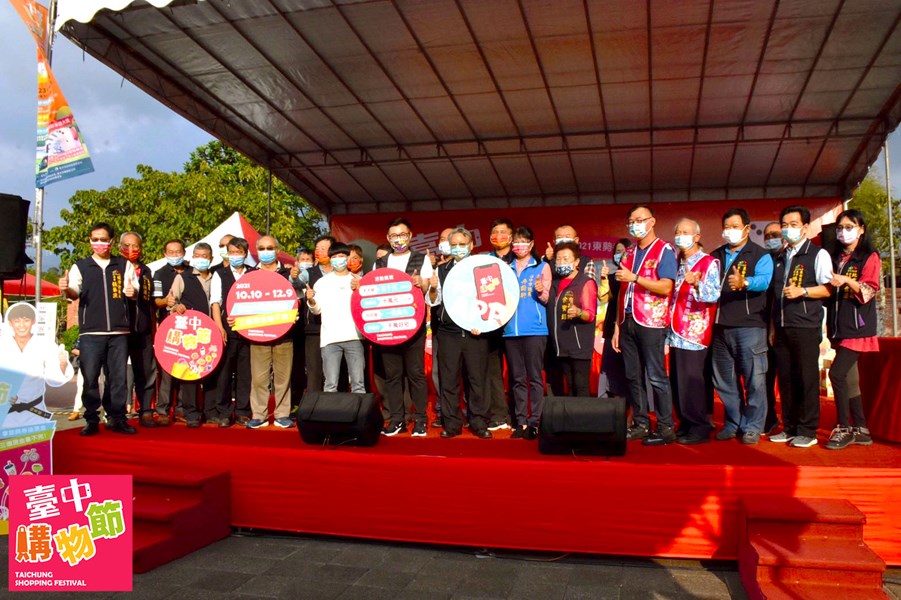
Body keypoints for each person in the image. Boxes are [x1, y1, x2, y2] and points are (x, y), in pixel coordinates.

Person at [59, 222, 139, 436]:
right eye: (95, 239)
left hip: (119, 332)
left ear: (112, 241)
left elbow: (134, 289)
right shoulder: (81, 266)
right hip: (91, 333)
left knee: (117, 379)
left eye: (103, 239)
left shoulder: (123, 265)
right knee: (90, 376)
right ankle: (92, 419)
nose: (99, 243)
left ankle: (117, 418)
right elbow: (74, 292)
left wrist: (131, 291)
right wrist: (66, 288)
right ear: (90, 241)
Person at [612, 205, 677, 446]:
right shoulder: (628, 253)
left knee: (657, 376)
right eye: (631, 221)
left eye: (640, 220)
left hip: (651, 321)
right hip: (628, 320)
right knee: (633, 376)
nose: (635, 224)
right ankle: (640, 423)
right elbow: (621, 291)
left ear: (652, 222)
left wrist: (636, 278)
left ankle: (665, 426)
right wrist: (618, 326)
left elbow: (666, 287)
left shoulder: (664, 250)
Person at [769, 205, 833, 448]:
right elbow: (775, 296)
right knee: (785, 379)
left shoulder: (818, 255)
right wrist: (773, 328)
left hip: (805, 326)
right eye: (784, 224)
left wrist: (803, 291)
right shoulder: (780, 257)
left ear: (805, 227)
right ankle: (790, 426)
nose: (788, 229)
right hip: (782, 327)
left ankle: (808, 430)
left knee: (806, 378)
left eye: (793, 224)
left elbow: (827, 288)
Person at [709, 209, 774, 444]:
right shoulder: (715, 255)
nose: (730, 230)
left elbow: (765, 281)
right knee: (723, 380)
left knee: (754, 380)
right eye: (726, 226)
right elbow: (707, 281)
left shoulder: (760, 254)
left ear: (747, 228)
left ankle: (752, 426)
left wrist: (745, 281)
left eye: (735, 226)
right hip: (719, 328)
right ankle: (733, 422)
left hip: (749, 327)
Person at [426, 227, 492, 439]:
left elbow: (493, 299)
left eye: (462, 244)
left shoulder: (483, 268)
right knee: (449, 380)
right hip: (449, 333)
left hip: (475, 333)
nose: (458, 248)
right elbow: (433, 302)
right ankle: (451, 424)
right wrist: (434, 288)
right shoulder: (442, 270)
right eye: (454, 245)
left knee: (477, 380)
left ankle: (479, 422)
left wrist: (484, 323)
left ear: (471, 245)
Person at [824, 210, 880, 450]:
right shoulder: (836, 257)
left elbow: (869, 291)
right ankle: (862, 428)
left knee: (836, 374)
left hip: (858, 327)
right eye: (840, 227)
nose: (843, 231)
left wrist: (847, 280)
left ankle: (843, 427)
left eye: (849, 227)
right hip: (838, 325)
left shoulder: (869, 257)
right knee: (850, 378)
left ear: (861, 229)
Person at [374, 217, 433, 437]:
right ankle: (397, 419)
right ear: (388, 238)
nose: (399, 239)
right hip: (387, 327)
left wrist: (422, 284)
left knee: (416, 374)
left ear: (410, 236)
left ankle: (420, 420)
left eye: (403, 235)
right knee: (393, 375)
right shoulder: (380, 262)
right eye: (394, 236)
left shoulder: (421, 259)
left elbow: (429, 289)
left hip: (412, 324)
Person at [667, 219, 721, 445]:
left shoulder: (708, 263)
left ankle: (699, 425)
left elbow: (713, 294)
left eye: (685, 232)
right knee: (678, 381)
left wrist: (697, 284)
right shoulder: (677, 263)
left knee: (693, 380)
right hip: (674, 330)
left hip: (693, 331)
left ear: (697, 237)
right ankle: (686, 422)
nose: (681, 236)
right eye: (677, 232)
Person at [504, 227, 551, 439]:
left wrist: (541, 289)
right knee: (517, 378)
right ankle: (520, 421)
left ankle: (535, 422)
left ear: (531, 244)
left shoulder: (542, 267)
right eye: (516, 241)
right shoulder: (505, 268)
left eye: (523, 241)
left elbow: (546, 299)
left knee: (534, 377)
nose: (519, 245)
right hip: (510, 331)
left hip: (534, 330)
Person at [166, 242, 216, 427]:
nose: (201, 258)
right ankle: (191, 413)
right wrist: (176, 307)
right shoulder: (183, 277)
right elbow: (172, 301)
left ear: (211, 258)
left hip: (213, 333)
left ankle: (210, 411)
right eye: (197, 255)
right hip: (192, 334)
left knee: (212, 372)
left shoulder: (216, 277)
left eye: (204, 256)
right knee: (191, 374)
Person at [247, 236, 294, 429]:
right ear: (257, 250)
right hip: (257, 333)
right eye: (262, 248)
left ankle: (283, 414)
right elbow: (242, 301)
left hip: (284, 332)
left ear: (277, 250)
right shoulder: (249, 275)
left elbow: (297, 299)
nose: (266, 251)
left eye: (270, 248)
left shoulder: (289, 273)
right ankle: (259, 414)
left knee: (283, 377)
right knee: (259, 378)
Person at [0, 303, 73, 428]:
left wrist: (62, 364)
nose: (22, 325)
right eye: (17, 321)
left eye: (26, 320)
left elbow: (54, 380)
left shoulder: (45, 344)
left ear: (33, 322)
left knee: (33, 447)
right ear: (10, 323)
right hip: (5, 411)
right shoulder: (3, 344)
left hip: (34, 412)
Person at [306, 242, 365, 393]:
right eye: (335, 257)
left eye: (342, 256)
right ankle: (330, 416)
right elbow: (316, 310)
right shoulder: (322, 282)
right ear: (330, 259)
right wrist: (311, 300)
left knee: (358, 383)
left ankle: (360, 415)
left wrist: (360, 289)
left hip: (355, 337)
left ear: (347, 258)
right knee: (331, 384)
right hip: (330, 339)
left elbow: (366, 305)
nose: (339, 259)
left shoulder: (358, 280)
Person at [115, 232, 158, 428]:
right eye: (127, 245)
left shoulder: (147, 271)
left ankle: (146, 411)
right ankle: (115, 413)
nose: (131, 249)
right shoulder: (113, 268)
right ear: (119, 246)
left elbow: (151, 302)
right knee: (117, 372)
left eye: (136, 246)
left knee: (146, 371)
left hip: (142, 329)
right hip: (118, 329)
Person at [210, 237, 253, 426]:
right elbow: (215, 302)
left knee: (245, 373)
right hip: (228, 329)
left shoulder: (254, 273)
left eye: (239, 252)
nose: (236, 256)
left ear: (245, 253)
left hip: (250, 330)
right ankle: (224, 412)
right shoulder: (220, 274)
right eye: (232, 252)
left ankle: (243, 411)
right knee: (225, 373)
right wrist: (220, 327)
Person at [548, 242, 598, 397]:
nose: (561, 262)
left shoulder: (585, 282)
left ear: (576, 262)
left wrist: (578, 312)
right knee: (568, 387)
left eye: (566, 258)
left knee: (580, 386)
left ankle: (584, 420)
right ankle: (570, 421)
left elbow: (590, 314)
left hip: (579, 346)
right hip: (560, 346)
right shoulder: (554, 283)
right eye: (559, 259)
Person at [152, 239, 190, 425]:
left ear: (184, 252)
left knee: (187, 367)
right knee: (168, 369)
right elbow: (155, 301)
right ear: (165, 253)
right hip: (169, 327)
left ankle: (183, 408)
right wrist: (166, 302)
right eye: (171, 252)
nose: (175, 255)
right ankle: (163, 410)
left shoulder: (192, 271)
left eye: (178, 252)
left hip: (191, 328)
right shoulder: (159, 274)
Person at [484, 217, 515, 430]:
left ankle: (516, 414)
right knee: (492, 371)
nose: (499, 236)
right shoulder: (484, 260)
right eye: (495, 232)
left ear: (512, 237)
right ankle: (498, 414)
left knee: (516, 371)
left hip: (515, 324)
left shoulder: (522, 257)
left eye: (503, 232)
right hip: (491, 323)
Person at [301, 234, 336, 394]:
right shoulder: (308, 273)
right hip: (314, 328)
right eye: (317, 248)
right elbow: (294, 286)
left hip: (337, 329)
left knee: (337, 370)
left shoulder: (343, 273)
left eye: (323, 248)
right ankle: (314, 408)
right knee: (314, 370)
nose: (319, 252)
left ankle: (340, 408)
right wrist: (294, 277)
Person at [598, 238, 631, 398]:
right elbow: (604, 299)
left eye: (625, 251)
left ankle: (631, 413)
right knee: (612, 372)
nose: (621, 254)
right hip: (612, 329)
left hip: (631, 328)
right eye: (618, 251)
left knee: (630, 371)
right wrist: (604, 279)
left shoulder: (635, 277)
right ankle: (613, 407)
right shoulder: (611, 277)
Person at [762, 221, 784, 435]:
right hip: (764, 327)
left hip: (786, 326)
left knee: (788, 377)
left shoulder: (789, 259)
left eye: (775, 234)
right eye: (767, 235)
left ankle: (794, 422)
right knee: (765, 377)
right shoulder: (763, 260)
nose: (771, 238)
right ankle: (768, 418)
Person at [289, 247, 314, 414]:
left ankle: (314, 402)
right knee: (297, 368)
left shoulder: (316, 279)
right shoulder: (292, 282)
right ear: (296, 262)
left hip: (314, 330)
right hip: (297, 331)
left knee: (313, 369)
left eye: (308, 260)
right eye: (302, 259)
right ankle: (295, 403)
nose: (305, 262)